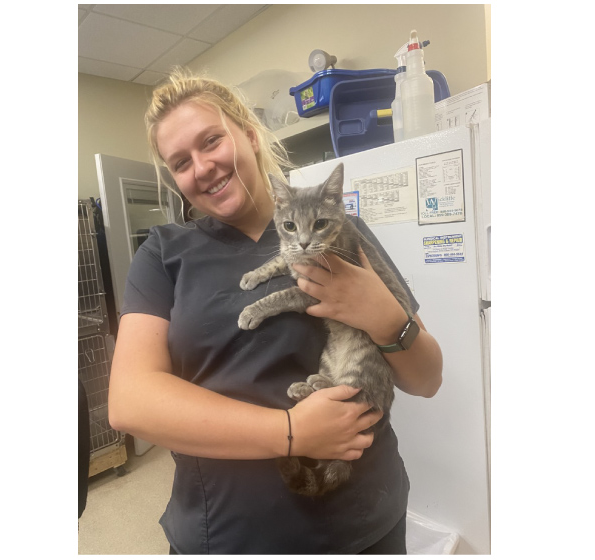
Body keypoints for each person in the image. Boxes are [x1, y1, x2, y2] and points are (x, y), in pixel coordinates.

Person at [107, 68, 443, 554]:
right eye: (180, 162)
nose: (201, 167)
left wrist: (385, 316)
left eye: (211, 141)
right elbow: (131, 402)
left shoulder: (342, 232)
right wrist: (290, 432)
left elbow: (427, 379)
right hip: (228, 533)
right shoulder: (162, 253)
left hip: (363, 523)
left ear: (247, 132)